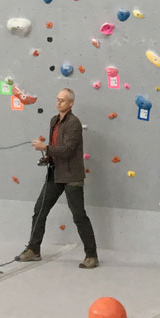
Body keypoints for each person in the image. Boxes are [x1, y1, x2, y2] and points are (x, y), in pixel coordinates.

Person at [16, 89, 99, 268]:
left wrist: (45, 147)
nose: (59, 103)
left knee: (79, 216)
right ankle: (34, 249)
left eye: (63, 100)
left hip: (71, 177)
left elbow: (68, 150)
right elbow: (56, 148)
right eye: (58, 100)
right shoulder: (54, 121)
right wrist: (47, 156)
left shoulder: (74, 124)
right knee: (40, 210)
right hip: (55, 173)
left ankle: (91, 255)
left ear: (71, 104)